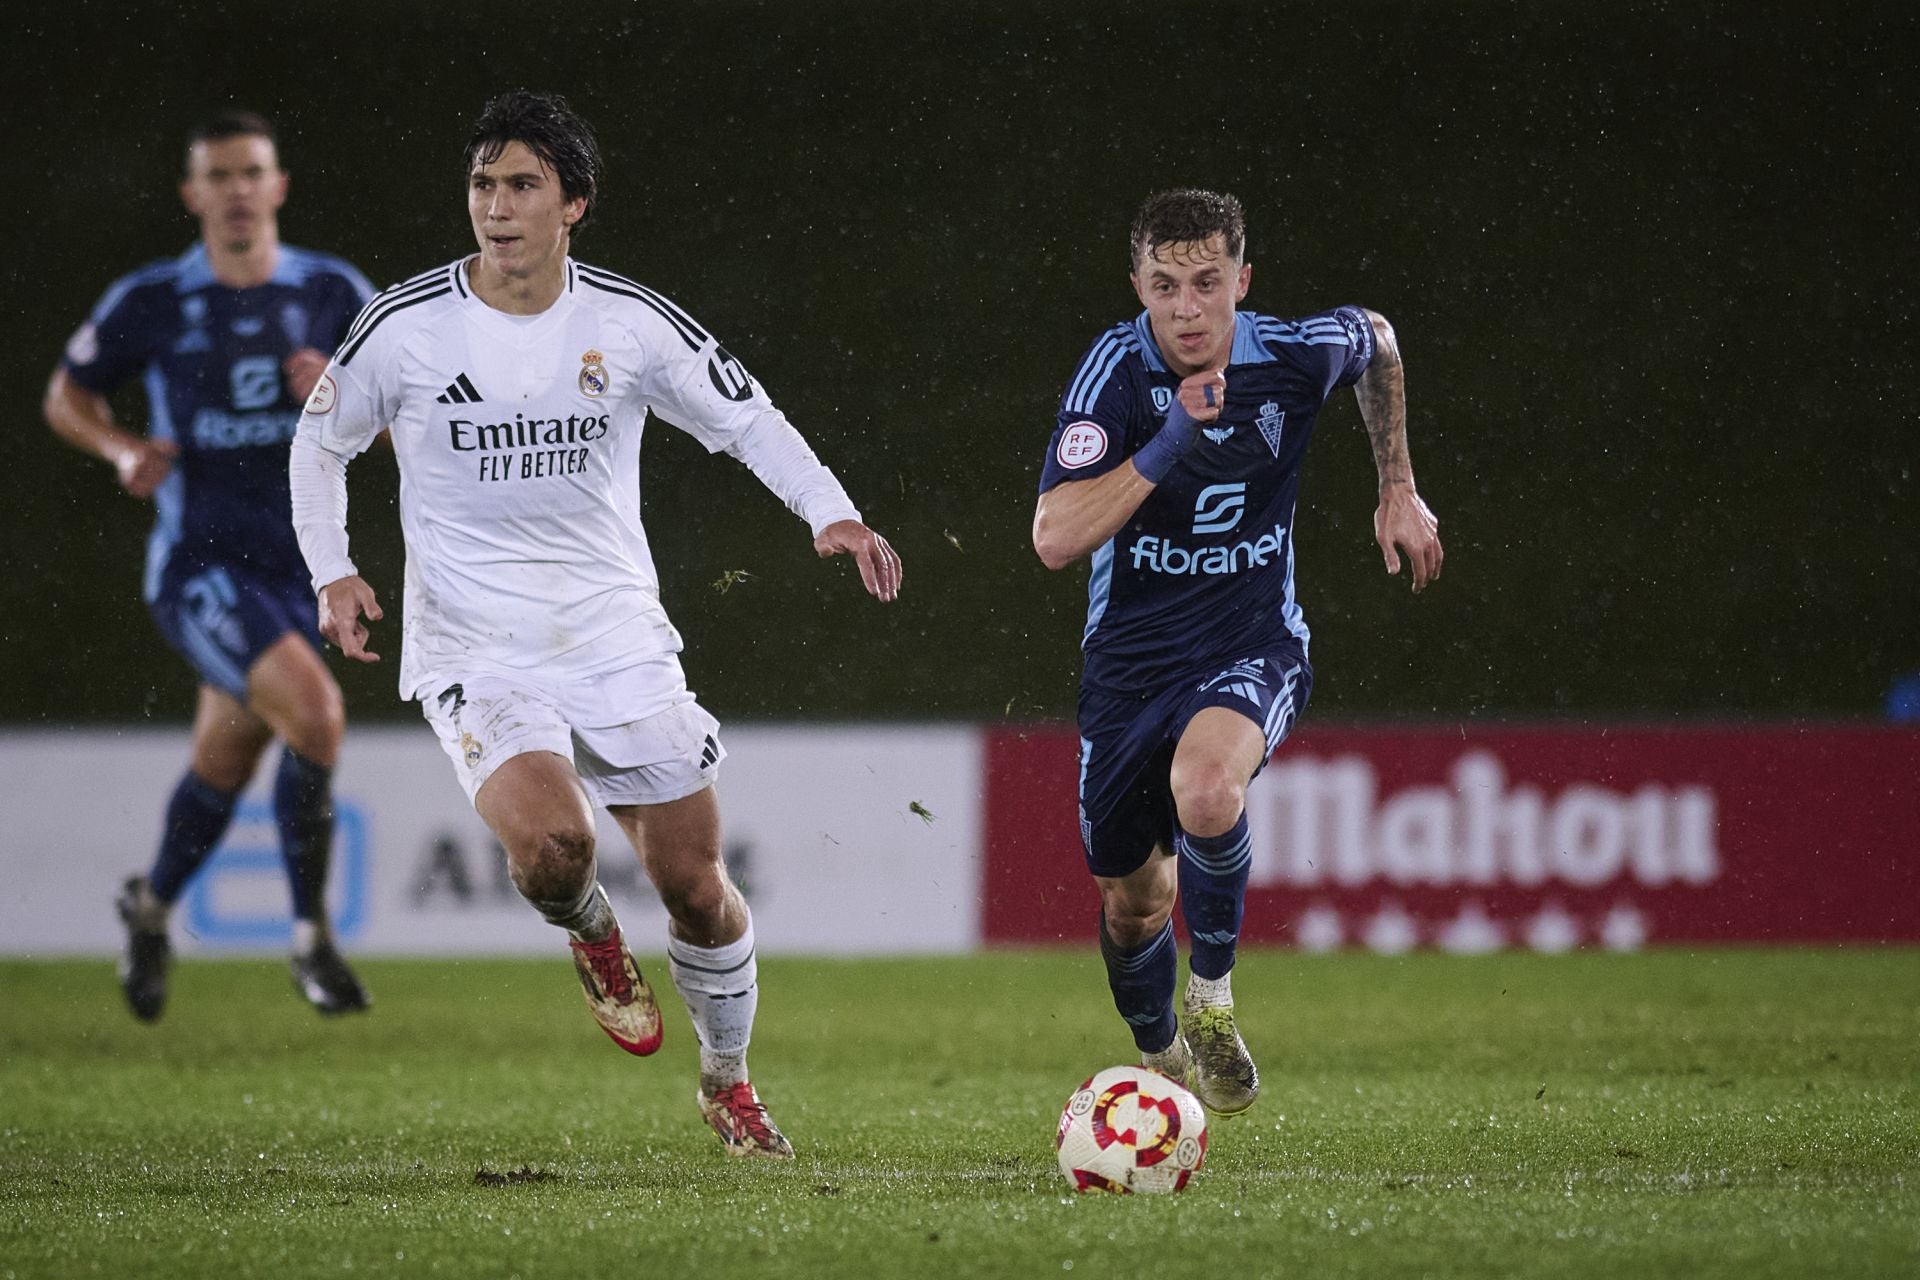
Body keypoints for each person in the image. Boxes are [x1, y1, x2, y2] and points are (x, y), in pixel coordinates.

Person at [289, 91, 902, 1160]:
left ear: (573, 203)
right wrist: (334, 572)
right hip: (476, 643)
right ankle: (592, 936)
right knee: (555, 843)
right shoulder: (407, 326)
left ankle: (728, 1080)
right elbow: (318, 442)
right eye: (484, 183)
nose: (497, 205)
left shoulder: (626, 321)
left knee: (700, 893)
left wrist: (832, 512)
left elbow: (745, 415)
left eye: (523, 184)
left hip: (615, 635)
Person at [1031, 189, 1442, 1115]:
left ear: (1241, 283)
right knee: (1132, 901)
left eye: (1206, 283)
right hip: (1129, 670)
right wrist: (1171, 437)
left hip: (1250, 640)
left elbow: (1374, 337)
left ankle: (1211, 1001)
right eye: (1165, 285)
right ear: (1137, 286)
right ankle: (1163, 1050)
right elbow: (1055, 537)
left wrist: (1398, 484)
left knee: (1210, 789)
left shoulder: (1290, 356)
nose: (1186, 308)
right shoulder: (1112, 374)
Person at [45, 111, 376, 1023]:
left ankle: (148, 909)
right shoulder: (150, 298)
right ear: (194, 194)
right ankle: (310, 938)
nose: (236, 190)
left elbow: (406, 415)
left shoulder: (332, 290)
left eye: (252, 172)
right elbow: (65, 394)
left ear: (279, 186)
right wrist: (117, 450)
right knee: (316, 713)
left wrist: (343, 398)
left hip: (295, 565)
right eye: (218, 176)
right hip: (200, 568)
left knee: (228, 761)